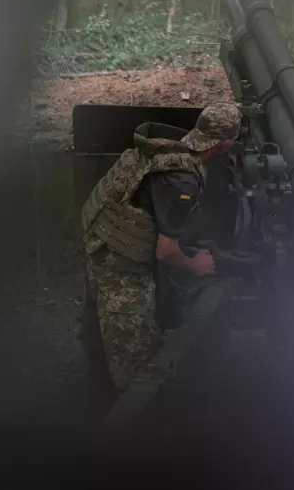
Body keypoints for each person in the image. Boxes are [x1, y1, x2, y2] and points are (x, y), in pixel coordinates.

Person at [80, 102, 242, 393]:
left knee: (101, 336)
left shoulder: (164, 148)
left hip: (101, 240)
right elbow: (166, 251)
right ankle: (135, 426)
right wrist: (196, 265)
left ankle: (98, 395)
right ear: (226, 143)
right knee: (137, 359)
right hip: (122, 262)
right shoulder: (182, 178)